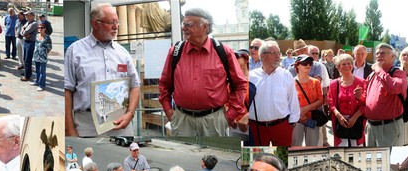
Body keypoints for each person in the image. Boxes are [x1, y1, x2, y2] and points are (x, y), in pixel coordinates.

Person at [158, 8, 247, 137]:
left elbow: (240, 85)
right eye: (183, 24)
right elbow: (164, 85)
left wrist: (229, 116)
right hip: (182, 120)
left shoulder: (223, 52)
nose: (184, 28)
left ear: (205, 26)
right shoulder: (175, 51)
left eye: (189, 25)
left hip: (214, 121)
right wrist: (168, 110)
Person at [64, 4, 140, 137]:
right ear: (95, 24)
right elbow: (66, 91)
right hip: (87, 124)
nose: (116, 27)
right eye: (111, 22)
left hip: (121, 123)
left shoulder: (123, 53)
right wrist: (69, 129)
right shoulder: (75, 50)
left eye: (117, 22)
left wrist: (130, 113)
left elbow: (135, 85)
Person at [249, 41, 300, 146]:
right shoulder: (251, 77)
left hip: (281, 126)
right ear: (262, 56)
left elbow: (293, 99)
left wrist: (292, 122)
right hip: (257, 128)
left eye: (279, 53)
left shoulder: (286, 75)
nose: (278, 56)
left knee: (283, 156)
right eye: (274, 53)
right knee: (259, 156)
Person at [365, 43, 408, 147]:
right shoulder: (372, 75)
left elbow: (394, 87)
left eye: (383, 53)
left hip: (389, 127)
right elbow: (366, 96)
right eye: (377, 53)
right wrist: (359, 97)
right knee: (371, 161)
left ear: (392, 57)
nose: (379, 55)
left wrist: (379, 70)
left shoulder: (398, 73)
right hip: (371, 126)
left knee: (389, 160)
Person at [291, 55, 323, 146]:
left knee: (313, 146)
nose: (308, 65)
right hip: (297, 119)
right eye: (305, 63)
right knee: (295, 145)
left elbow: (320, 100)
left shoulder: (315, 82)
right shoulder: (290, 83)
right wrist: (299, 114)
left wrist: (305, 109)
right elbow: (288, 102)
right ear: (297, 65)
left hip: (312, 119)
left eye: (310, 63)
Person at [33, 23, 52, 92]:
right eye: (39, 27)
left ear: (45, 29)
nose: (40, 29)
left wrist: (44, 53)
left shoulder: (47, 38)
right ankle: (37, 81)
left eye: (42, 28)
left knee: (42, 71)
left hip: (43, 57)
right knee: (37, 70)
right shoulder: (37, 35)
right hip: (36, 55)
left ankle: (41, 85)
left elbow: (49, 48)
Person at [20, 11, 38, 82]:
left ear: (32, 16)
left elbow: (25, 32)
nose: (26, 16)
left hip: (30, 42)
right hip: (26, 41)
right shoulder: (28, 22)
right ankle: (27, 72)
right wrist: (24, 32)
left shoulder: (34, 24)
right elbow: (22, 30)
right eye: (26, 15)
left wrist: (24, 32)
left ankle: (27, 76)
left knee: (28, 59)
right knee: (25, 58)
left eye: (28, 15)